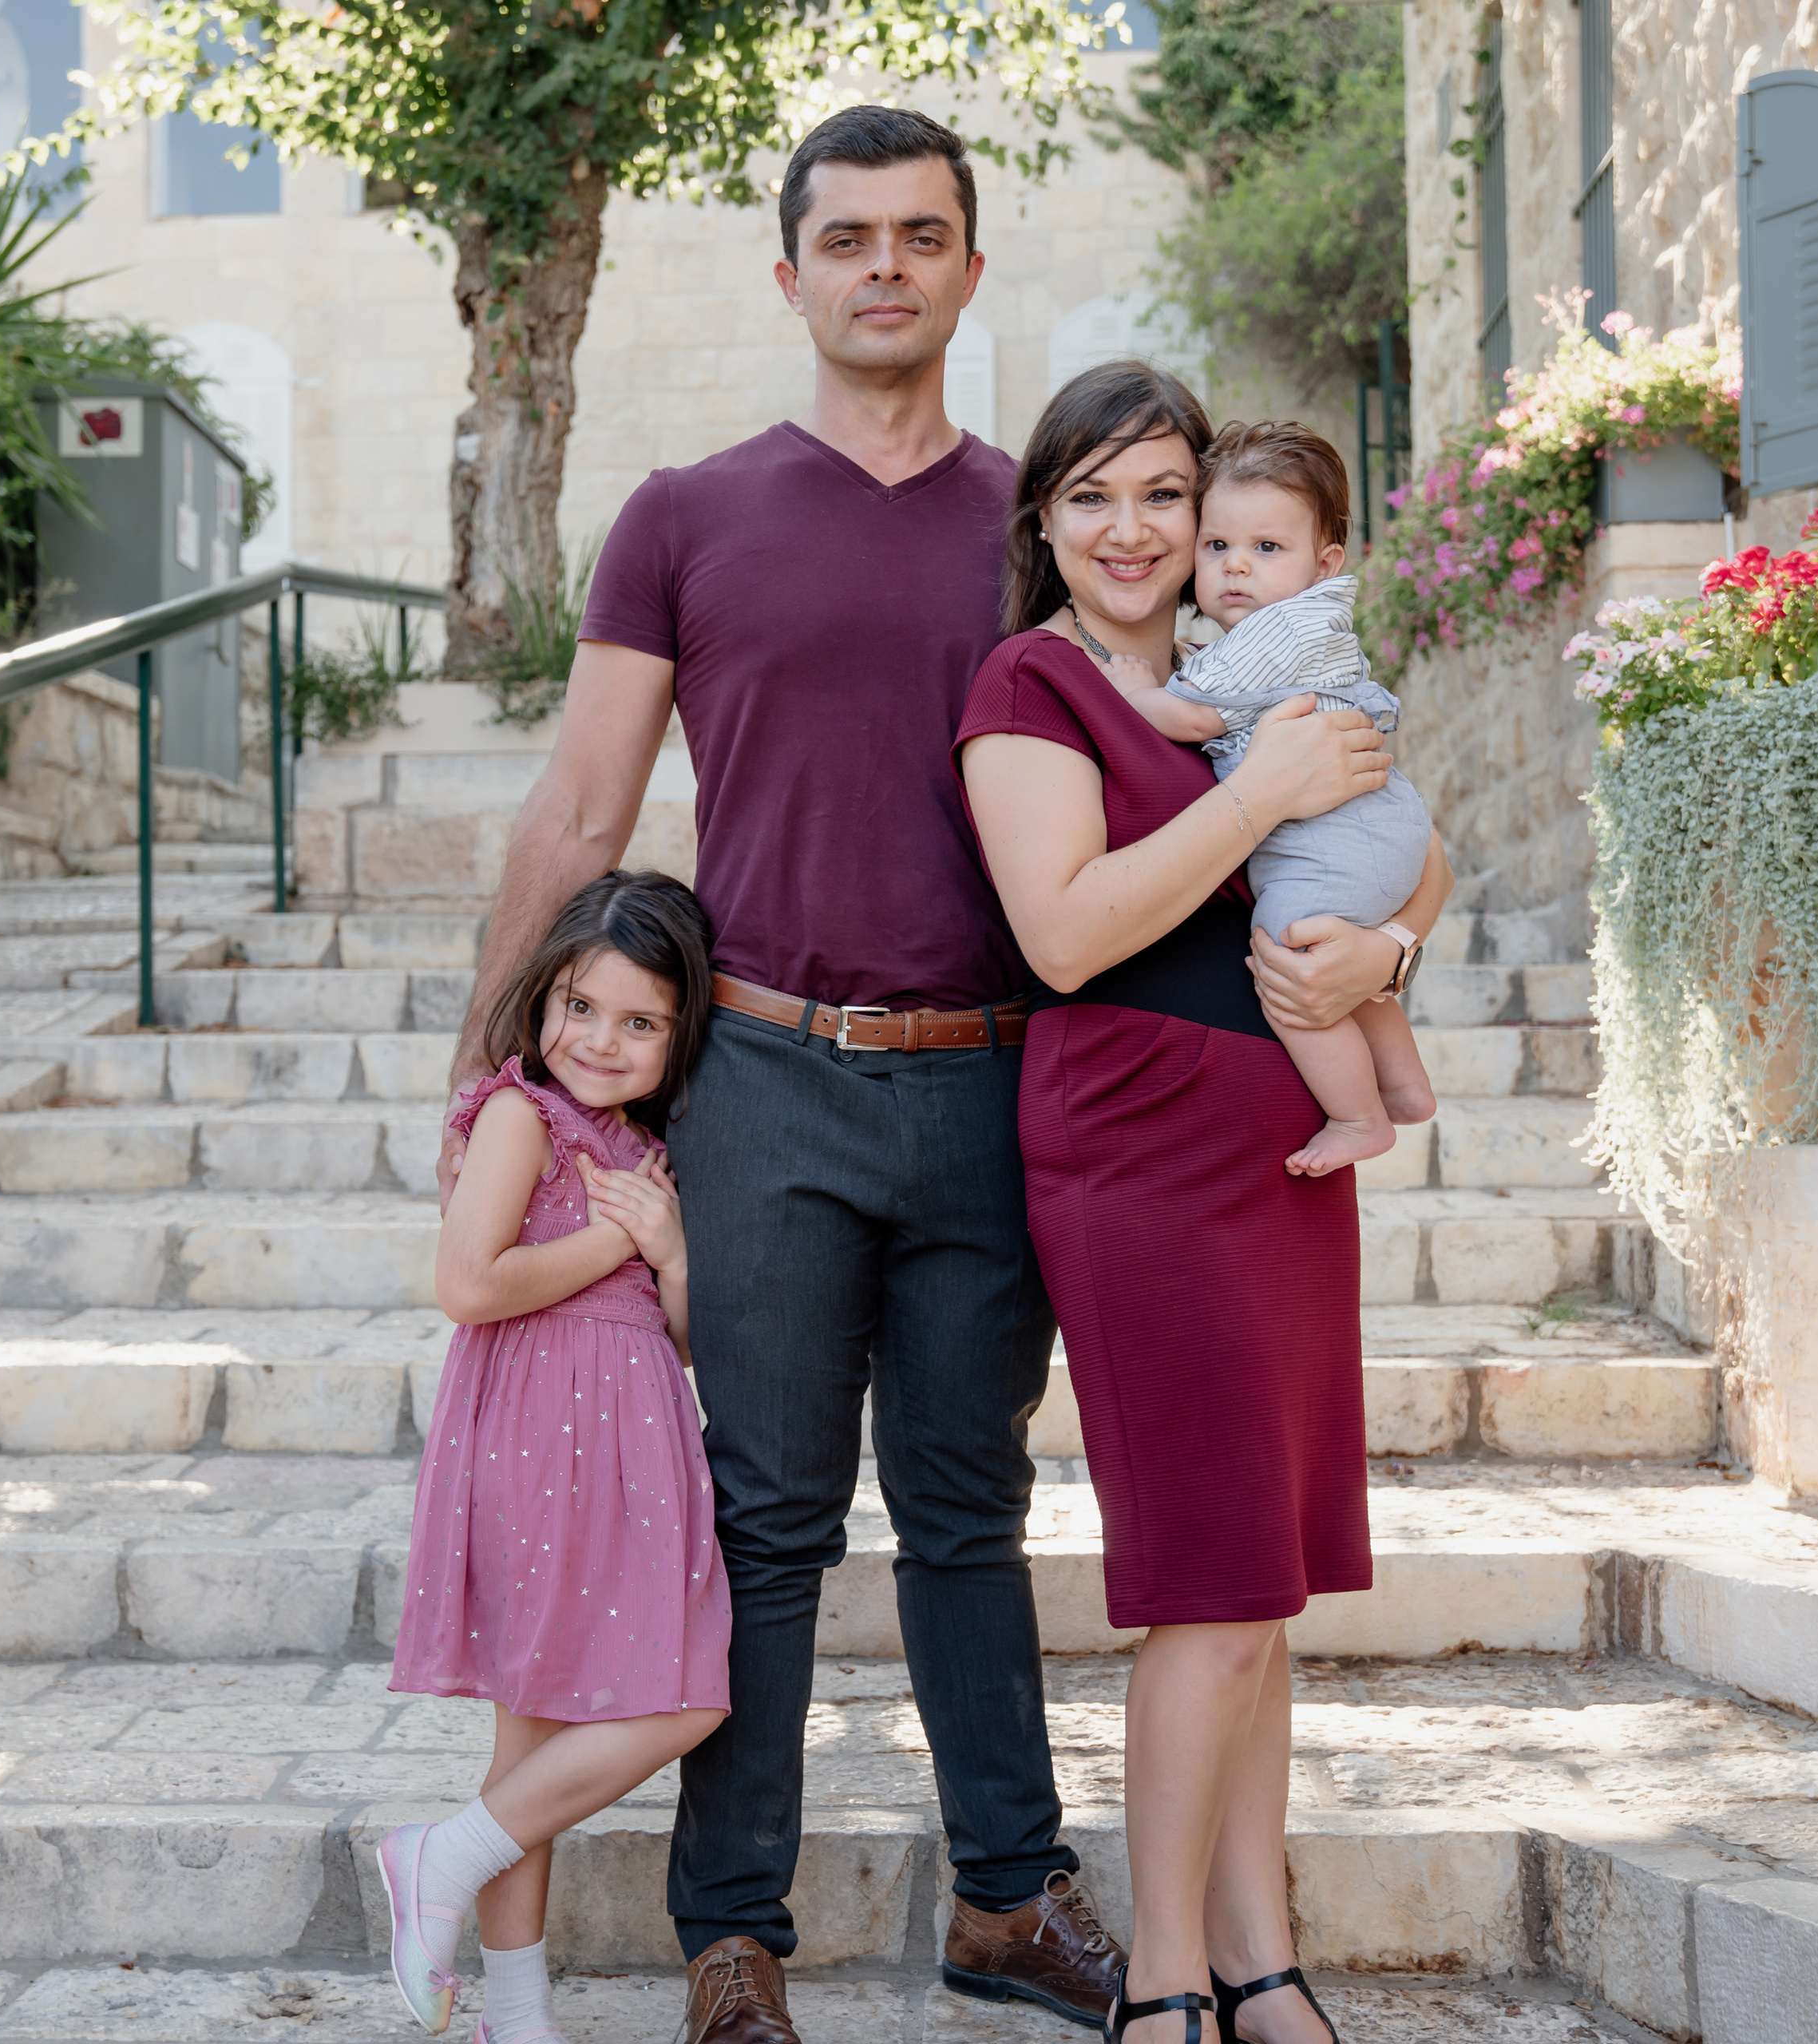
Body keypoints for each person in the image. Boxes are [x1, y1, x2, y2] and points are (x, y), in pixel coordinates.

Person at [437, 105, 1143, 2044]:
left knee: (967, 1506)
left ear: (968, 271)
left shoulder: (1035, 529)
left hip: (991, 1078)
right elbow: (583, 799)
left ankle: (1009, 1897)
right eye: (849, 238)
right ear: (791, 274)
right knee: (760, 1519)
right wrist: (486, 1062)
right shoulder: (683, 512)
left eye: (922, 236)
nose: (886, 266)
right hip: (757, 1079)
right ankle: (725, 1938)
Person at [953, 359, 1452, 2044]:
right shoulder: (1032, 683)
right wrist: (1257, 795)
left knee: (1263, 1579)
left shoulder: (1261, 666)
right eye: (1091, 494)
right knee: (1210, 1578)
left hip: (1278, 1150)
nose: (1132, 526)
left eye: (1161, 494)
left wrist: (1387, 946)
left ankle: (1263, 1956)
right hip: (1137, 1146)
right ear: (1043, 518)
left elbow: (1408, 834)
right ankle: (1164, 1969)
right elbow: (1065, 932)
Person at [384, 870, 731, 2044]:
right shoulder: (522, 1117)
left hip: (635, 1448)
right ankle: (454, 1883)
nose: (600, 1040)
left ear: (679, 1036)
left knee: (602, 1715)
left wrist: (671, 1250)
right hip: (536, 1441)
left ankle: (507, 2001)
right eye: (581, 1006)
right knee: (648, 1701)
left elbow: (680, 1339)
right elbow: (468, 1284)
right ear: (543, 1000)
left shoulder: (646, 1149)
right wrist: (603, 1238)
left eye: (640, 1023)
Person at [1104, 420, 1437, 1176]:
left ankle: (1359, 1117)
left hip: (1337, 840)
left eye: (1267, 549)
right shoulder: (1308, 625)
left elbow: (1190, 718)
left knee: (1289, 961)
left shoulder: (1269, 637)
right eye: (1218, 547)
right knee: (1342, 957)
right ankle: (1406, 1086)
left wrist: (1137, 691)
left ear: (1325, 565)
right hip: (1378, 829)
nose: (1237, 570)